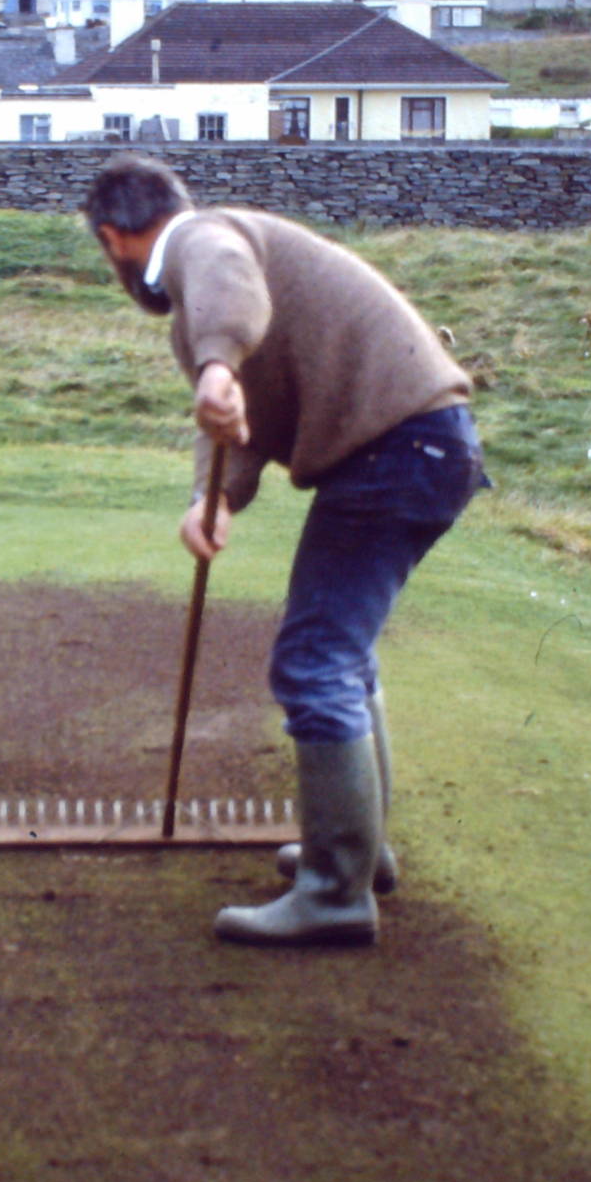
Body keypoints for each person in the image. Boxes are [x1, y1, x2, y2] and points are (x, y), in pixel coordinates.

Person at [81, 153, 487, 948]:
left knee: (314, 662)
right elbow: (238, 418)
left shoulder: (204, 241)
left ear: (112, 240)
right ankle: (361, 859)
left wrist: (218, 363)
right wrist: (217, 502)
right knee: (343, 657)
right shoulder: (200, 305)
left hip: (399, 451)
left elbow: (231, 306)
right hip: (418, 449)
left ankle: (336, 894)